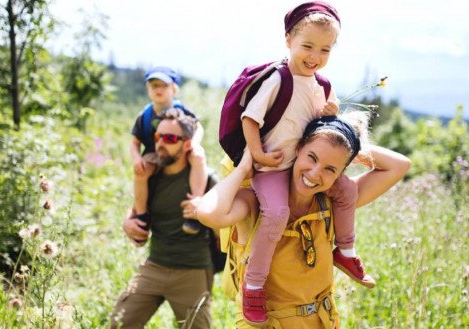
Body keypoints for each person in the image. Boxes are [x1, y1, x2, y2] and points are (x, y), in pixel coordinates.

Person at [197, 114, 411, 328]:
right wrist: (245, 167)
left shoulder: (332, 201)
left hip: (321, 321)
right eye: (312, 157)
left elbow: (399, 165)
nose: (315, 174)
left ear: (340, 173)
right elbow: (207, 213)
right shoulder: (256, 201)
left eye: (330, 169)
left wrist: (345, 144)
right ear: (297, 149)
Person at [232, 1, 371, 325]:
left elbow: (325, 126)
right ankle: (254, 285)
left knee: (347, 192)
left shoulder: (321, 84)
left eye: (324, 49)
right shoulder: (278, 79)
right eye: (307, 46)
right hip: (272, 167)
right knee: (277, 213)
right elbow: (250, 119)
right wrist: (258, 155)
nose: (315, 56)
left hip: (304, 166)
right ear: (288, 41)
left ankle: (345, 251)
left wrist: (330, 113)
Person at [112, 110, 215, 329]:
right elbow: (136, 209)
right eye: (158, 137)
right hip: (155, 265)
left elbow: (225, 224)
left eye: (169, 139)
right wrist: (127, 221)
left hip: (192, 270)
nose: (160, 144)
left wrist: (204, 209)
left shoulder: (206, 178)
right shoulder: (151, 175)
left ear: (187, 144)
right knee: (119, 322)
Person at [130, 66, 208, 236]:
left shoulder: (183, 110)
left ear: (174, 89)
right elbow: (134, 141)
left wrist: (194, 143)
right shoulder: (145, 115)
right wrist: (136, 158)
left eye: (163, 86)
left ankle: (195, 207)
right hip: (154, 152)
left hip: (181, 150)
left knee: (198, 156)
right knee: (141, 173)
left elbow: (198, 127)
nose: (158, 90)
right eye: (154, 86)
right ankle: (142, 216)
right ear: (148, 89)